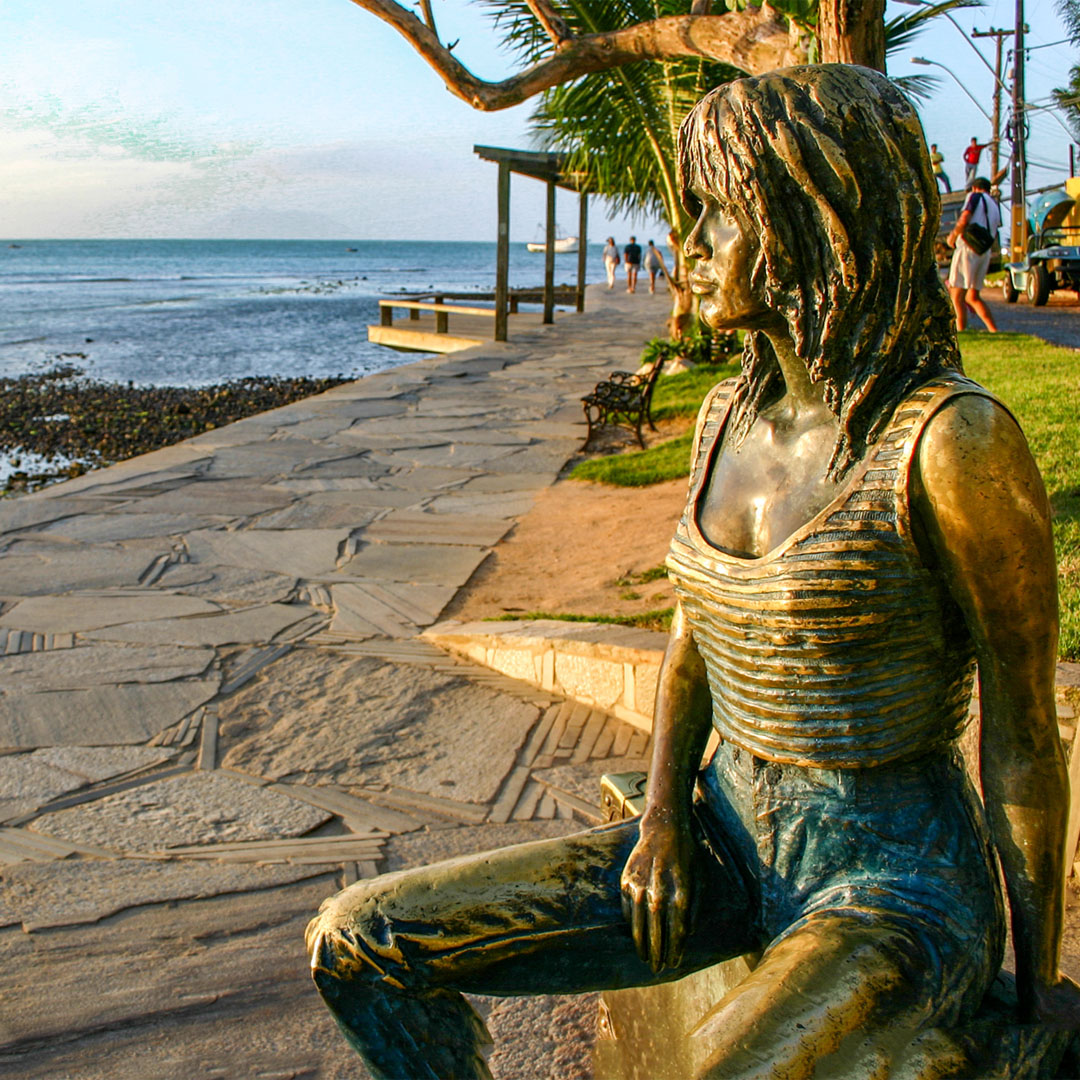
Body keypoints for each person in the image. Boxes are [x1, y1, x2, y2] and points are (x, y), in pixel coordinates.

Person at [307, 66, 1079, 1080]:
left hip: (891, 883)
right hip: (719, 830)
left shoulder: (950, 442)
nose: (692, 246)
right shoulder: (725, 416)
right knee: (361, 940)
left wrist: (1029, 997)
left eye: (719, 213)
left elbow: (1023, 731)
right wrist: (664, 813)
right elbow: (691, 636)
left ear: (814, 223)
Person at [947, 176, 1001, 332]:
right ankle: (993, 330)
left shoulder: (974, 197)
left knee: (956, 294)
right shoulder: (994, 204)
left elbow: (965, 218)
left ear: (974, 188)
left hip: (968, 249)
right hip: (984, 251)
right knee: (972, 296)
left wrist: (954, 235)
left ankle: (960, 330)